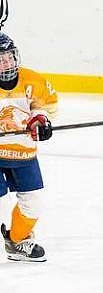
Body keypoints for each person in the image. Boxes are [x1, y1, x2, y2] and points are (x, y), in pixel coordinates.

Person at [0, 33, 57, 262]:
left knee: (34, 203)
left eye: (9, 57)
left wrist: (41, 120)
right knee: (1, 205)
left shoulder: (32, 80)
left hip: (24, 154)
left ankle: (18, 242)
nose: (7, 63)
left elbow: (47, 106)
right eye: (0, 59)